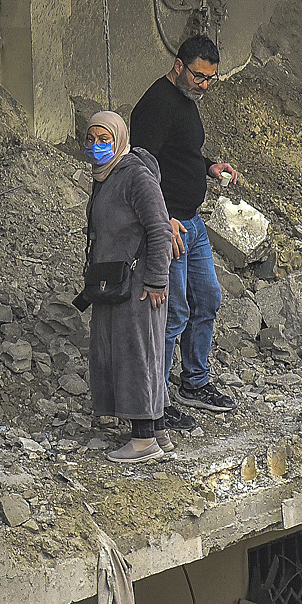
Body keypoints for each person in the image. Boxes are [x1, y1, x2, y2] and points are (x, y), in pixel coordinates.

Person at [128, 34, 241, 428]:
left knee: (207, 298)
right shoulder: (157, 105)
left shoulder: (187, 101)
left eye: (211, 78)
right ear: (179, 65)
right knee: (172, 314)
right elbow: (140, 169)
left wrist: (207, 165)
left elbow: (181, 153)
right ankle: (156, 399)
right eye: (198, 76)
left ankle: (194, 383)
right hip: (169, 228)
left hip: (193, 222)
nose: (204, 85)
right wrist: (162, 220)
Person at [81, 111, 175, 462]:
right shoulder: (105, 177)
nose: (96, 147)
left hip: (139, 283)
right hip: (116, 282)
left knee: (135, 355)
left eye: (104, 140)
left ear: (119, 139)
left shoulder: (135, 175)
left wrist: (155, 279)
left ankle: (142, 440)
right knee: (139, 353)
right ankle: (160, 432)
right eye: (90, 140)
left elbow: (160, 228)